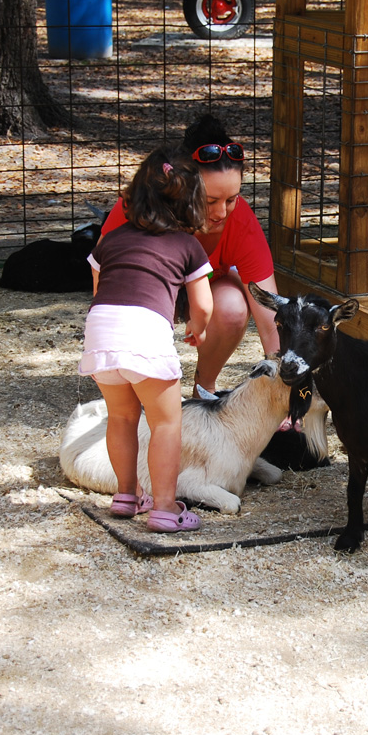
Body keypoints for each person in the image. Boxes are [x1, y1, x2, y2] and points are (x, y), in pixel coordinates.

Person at [80, 149, 214, 533]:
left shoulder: (110, 240)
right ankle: (166, 508)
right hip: (145, 335)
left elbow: (98, 291)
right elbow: (202, 304)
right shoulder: (187, 246)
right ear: (191, 204)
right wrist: (198, 329)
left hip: (101, 332)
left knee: (121, 417)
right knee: (166, 424)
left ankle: (126, 495)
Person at [99, 115, 280, 396]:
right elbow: (104, 281)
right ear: (182, 186)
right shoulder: (140, 206)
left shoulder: (240, 221)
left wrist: (285, 388)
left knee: (234, 305)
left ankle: (203, 386)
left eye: (231, 200)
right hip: (145, 296)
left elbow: (270, 317)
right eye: (210, 201)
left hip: (202, 295)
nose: (221, 212)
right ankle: (132, 380)